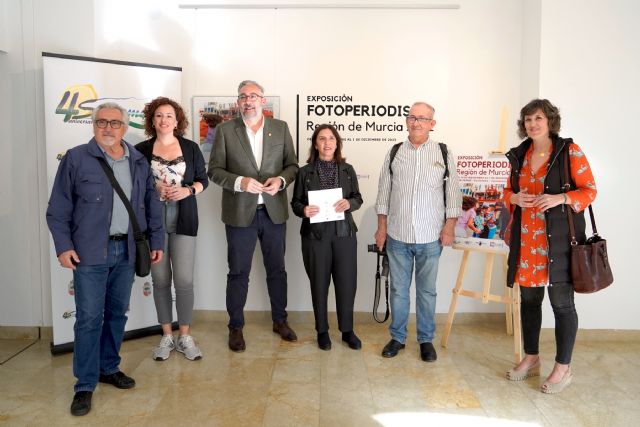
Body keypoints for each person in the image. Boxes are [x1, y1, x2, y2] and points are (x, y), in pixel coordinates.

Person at [46, 102, 164, 416]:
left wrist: (157, 240)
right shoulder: (76, 158)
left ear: (124, 127)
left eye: (114, 123)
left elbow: (151, 204)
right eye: (102, 122)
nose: (108, 128)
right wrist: (63, 247)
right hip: (89, 252)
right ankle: (85, 384)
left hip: (127, 251)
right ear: (93, 125)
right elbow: (58, 209)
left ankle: (108, 367)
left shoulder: (138, 160)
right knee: (88, 319)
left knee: (116, 315)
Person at [504, 99, 597, 394]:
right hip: (527, 241)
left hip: (559, 243)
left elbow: (590, 190)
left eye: (538, 118)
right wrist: (513, 198)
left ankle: (563, 367)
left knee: (562, 304)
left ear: (550, 121)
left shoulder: (569, 151)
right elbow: (508, 191)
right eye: (528, 119)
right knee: (529, 302)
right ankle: (531, 357)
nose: (532, 124)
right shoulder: (520, 154)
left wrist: (561, 198)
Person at [208, 80, 299, 352]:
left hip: (274, 212)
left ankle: (280, 321)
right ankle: (235, 327)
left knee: (277, 270)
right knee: (238, 273)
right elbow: (214, 171)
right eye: (243, 97)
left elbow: (292, 166)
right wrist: (240, 182)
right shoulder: (225, 130)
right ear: (238, 102)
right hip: (239, 215)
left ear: (262, 100)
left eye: (253, 96)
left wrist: (281, 181)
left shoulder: (280, 128)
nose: (248, 101)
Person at [374, 101, 461, 362]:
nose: (416, 122)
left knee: (427, 292)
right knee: (398, 291)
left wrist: (449, 226)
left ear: (432, 124)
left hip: (430, 237)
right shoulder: (395, 152)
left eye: (422, 118)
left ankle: (425, 340)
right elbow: (383, 193)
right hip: (397, 235)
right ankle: (397, 337)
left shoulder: (443, 152)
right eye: (412, 117)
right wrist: (381, 229)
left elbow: (453, 193)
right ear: (406, 121)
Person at [135, 97, 209, 362]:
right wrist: (152, 187)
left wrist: (188, 191)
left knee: (185, 281)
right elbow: (133, 185)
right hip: (152, 223)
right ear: (152, 121)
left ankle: (185, 336)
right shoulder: (140, 150)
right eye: (158, 115)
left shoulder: (190, 148)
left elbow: (203, 180)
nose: (164, 120)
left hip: (184, 219)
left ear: (177, 121)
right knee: (161, 280)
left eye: (169, 115)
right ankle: (167, 335)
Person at [291, 124, 363, 351]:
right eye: (322, 138)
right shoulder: (305, 172)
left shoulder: (348, 169)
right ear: (315, 144)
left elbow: (358, 198)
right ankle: (322, 331)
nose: (327, 143)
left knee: (346, 284)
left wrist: (349, 203)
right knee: (319, 284)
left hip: (343, 234)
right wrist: (304, 210)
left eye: (331, 138)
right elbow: (295, 203)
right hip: (315, 236)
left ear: (337, 143)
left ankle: (347, 330)